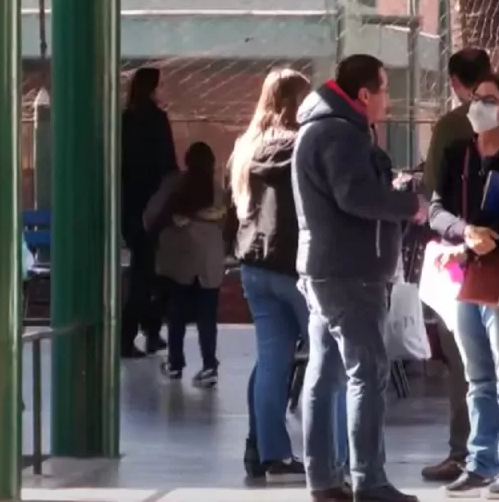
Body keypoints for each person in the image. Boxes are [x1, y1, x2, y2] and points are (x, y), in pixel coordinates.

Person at [293, 54, 426, 502]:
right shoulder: (340, 132)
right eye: (385, 89)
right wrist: (409, 205)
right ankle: (369, 480)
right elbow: (354, 196)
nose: (388, 100)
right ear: (365, 94)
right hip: (350, 270)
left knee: (325, 371)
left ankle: (323, 479)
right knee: (366, 373)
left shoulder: (321, 127)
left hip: (324, 267)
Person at [227, 68, 348, 483]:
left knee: (272, 362)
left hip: (253, 267)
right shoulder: (302, 146)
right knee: (326, 359)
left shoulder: (247, 146)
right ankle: (332, 459)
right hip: (294, 267)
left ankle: (270, 455)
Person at [428, 74, 499, 498]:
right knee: (477, 377)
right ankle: (480, 461)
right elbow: (435, 209)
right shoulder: (460, 154)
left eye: (489, 100)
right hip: (465, 277)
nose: (477, 105)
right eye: (475, 97)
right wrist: (463, 233)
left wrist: (489, 238)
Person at [419, 47, 490, 483]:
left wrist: (456, 232)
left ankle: (465, 450)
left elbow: (432, 193)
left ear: (454, 82)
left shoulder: (451, 125)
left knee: (464, 357)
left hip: (464, 253)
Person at [144, 141, 227, 388]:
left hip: (178, 263)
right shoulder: (216, 191)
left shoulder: (173, 185)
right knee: (207, 317)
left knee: (176, 314)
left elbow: (150, 219)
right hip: (210, 265)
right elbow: (226, 224)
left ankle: (175, 363)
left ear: (186, 161)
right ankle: (209, 365)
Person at [121, 67, 177, 358]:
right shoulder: (156, 119)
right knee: (148, 273)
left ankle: (152, 331)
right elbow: (168, 167)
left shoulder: (125, 119)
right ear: (153, 88)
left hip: (128, 207)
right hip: (152, 207)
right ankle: (131, 334)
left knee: (146, 270)